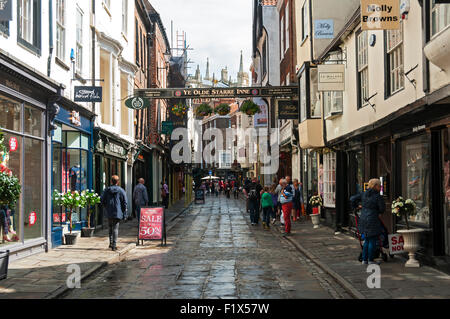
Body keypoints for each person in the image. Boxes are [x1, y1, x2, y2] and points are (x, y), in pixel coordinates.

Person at [350, 179, 385, 265]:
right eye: (379, 185)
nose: (380, 187)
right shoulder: (377, 196)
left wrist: (357, 206)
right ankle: (370, 260)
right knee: (372, 240)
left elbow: (352, 199)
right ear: (375, 186)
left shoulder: (364, 194)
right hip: (373, 219)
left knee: (366, 240)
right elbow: (382, 208)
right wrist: (379, 212)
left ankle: (364, 260)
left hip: (363, 218)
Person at [101, 175, 128, 251]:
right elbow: (125, 202)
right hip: (118, 211)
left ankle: (110, 243)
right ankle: (114, 244)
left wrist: (106, 206)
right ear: (118, 182)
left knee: (110, 227)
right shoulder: (121, 190)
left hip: (109, 210)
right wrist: (124, 212)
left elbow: (102, 199)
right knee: (115, 228)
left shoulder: (107, 190)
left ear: (111, 181)